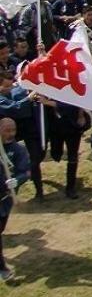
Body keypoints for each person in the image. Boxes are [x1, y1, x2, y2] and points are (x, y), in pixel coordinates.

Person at [0, 117, 32, 282]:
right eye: (7, 130)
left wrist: (17, 180)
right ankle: (2, 267)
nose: (11, 133)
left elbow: (26, 172)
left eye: (13, 130)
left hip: (5, 198)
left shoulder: (18, 150)